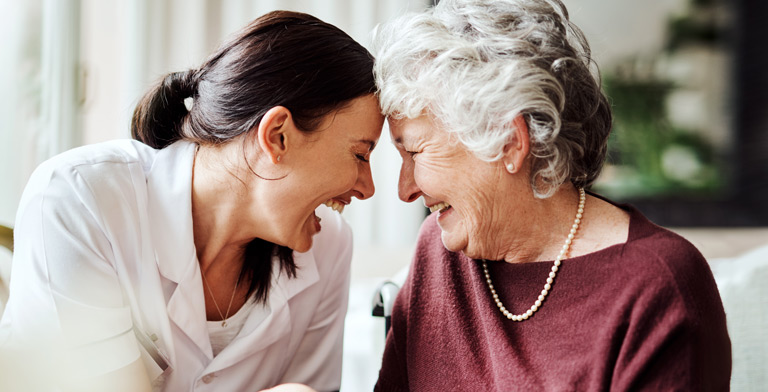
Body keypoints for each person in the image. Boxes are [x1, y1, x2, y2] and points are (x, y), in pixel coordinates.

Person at [0, 10, 383, 392]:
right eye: (360, 155)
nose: (367, 188)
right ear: (278, 135)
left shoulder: (328, 247)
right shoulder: (79, 199)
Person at [371, 0, 731, 390]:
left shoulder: (658, 283)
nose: (405, 190)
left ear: (509, 141)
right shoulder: (440, 253)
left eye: (414, 152)